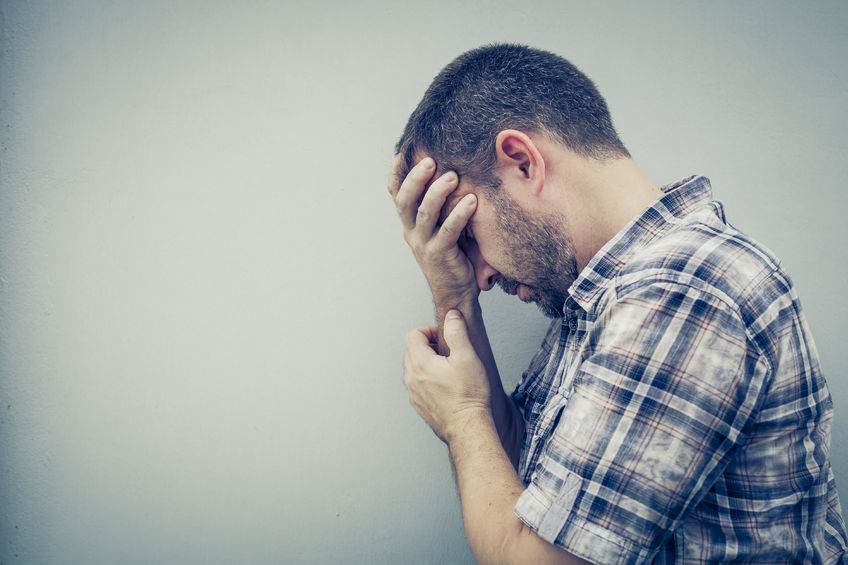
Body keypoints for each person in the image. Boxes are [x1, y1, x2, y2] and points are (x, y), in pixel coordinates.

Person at [386, 44, 848, 564]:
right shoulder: (599, 292)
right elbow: (523, 487)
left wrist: (462, 415)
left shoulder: (682, 289)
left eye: (464, 234)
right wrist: (453, 293)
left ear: (522, 161)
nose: (483, 274)